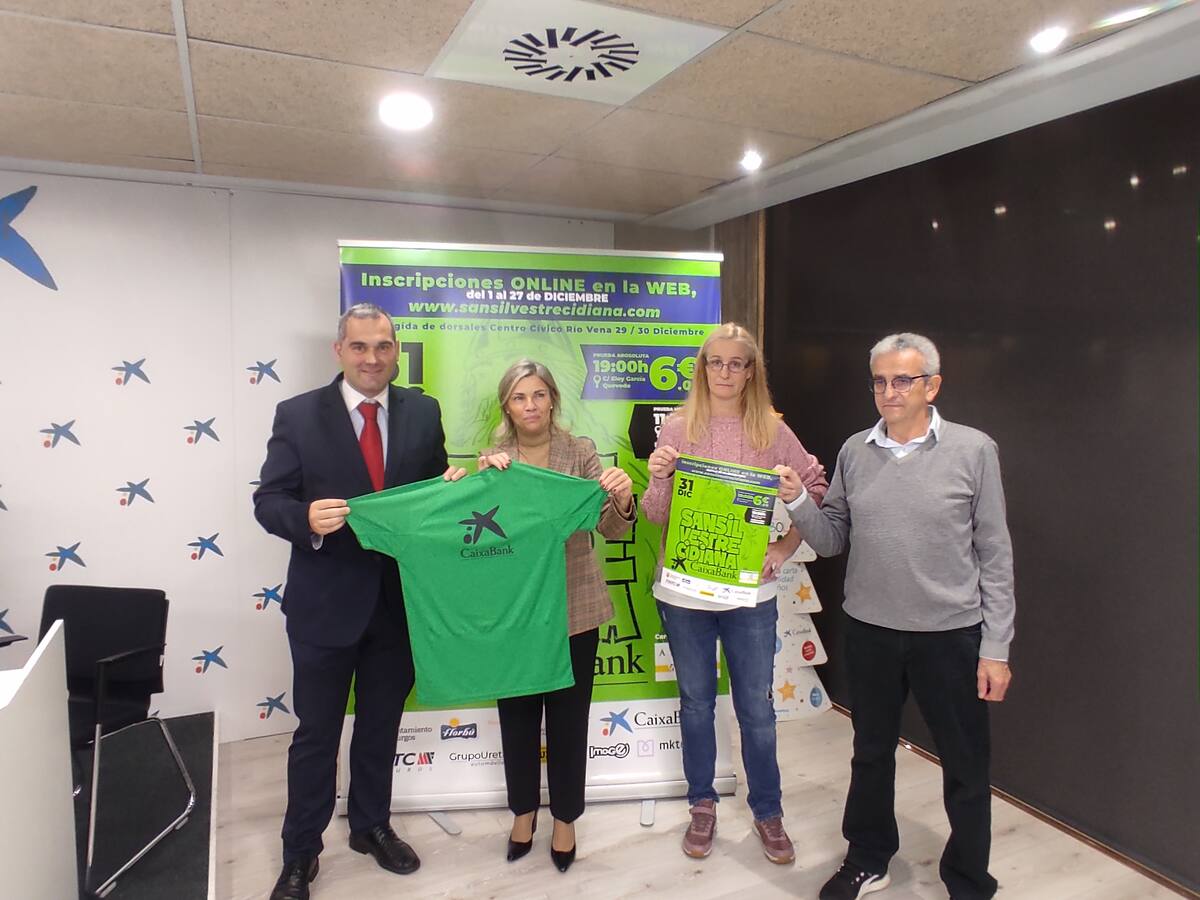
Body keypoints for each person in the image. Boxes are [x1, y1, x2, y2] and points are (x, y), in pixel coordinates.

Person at [777, 332, 1014, 900]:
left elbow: (995, 554)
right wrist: (798, 501)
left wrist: (996, 649)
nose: (890, 392)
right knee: (870, 753)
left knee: (965, 764)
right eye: (880, 381)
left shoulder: (974, 450)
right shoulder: (855, 451)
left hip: (950, 636)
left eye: (903, 380)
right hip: (871, 633)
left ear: (932, 385)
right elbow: (832, 539)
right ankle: (868, 858)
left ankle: (969, 880)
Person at [253, 302, 466, 900]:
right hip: (324, 606)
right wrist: (304, 518)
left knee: (380, 727)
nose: (372, 358)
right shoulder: (298, 414)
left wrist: (452, 486)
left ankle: (371, 826)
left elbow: (430, 499)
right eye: (360, 346)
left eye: (383, 346)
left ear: (396, 351)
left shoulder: (423, 412)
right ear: (339, 350)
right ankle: (300, 852)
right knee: (316, 736)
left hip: (398, 605)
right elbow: (269, 500)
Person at [642, 322, 828, 865]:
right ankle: (702, 804)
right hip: (684, 594)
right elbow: (656, 516)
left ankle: (768, 811)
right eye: (715, 362)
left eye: (736, 363)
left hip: (750, 596)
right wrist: (659, 477)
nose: (724, 372)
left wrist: (786, 545)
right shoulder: (678, 426)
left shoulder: (772, 430)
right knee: (696, 704)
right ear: (703, 369)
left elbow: (816, 486)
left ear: (751, 372)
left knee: (757, 709)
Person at [477, 358, 635, 873]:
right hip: (516, 613)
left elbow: (610, 528)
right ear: (507, 406)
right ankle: (523, 813)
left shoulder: (581, 452)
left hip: (575, 607)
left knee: (568, 721)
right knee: (517, 717)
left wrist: (622, 498)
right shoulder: (493, 461)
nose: (530, 405)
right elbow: (480, 536)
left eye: (539, 395)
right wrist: (475, 483)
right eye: (519, 397)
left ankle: (565, 819)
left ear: (552, 400)